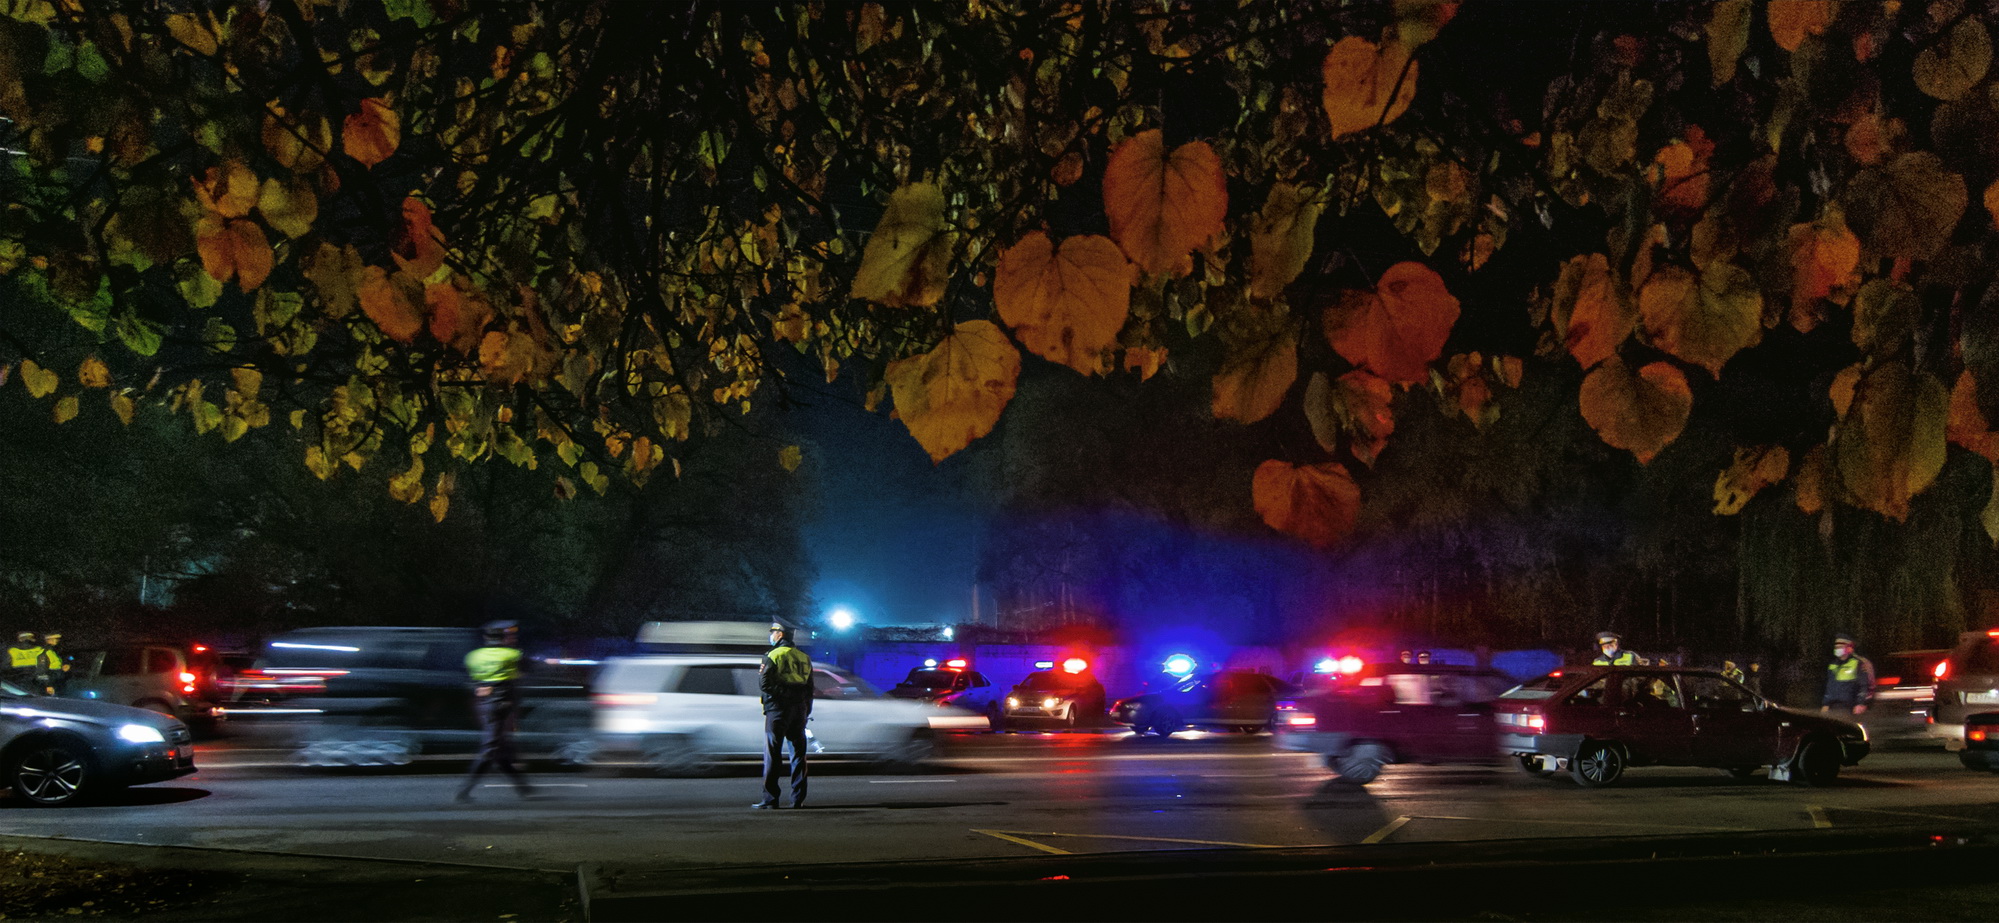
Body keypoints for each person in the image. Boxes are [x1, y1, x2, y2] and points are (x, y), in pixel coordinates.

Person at [455, 620, 535, 803]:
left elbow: (468, 679)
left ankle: (524, 789)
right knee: (490, 750)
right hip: (502, 705)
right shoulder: (513, 655)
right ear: (503, 638)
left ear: (485, 638)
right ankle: (464, 791)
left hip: (483, 705)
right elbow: (529, 669)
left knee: (499, 748)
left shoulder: (473, 656)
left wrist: (481, 686)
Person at [755, 621, 814, 810]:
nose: (771, 635)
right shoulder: (804, 657)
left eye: (772, 632)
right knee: (798, 755)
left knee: (773, 754)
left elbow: (765, 685)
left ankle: (771, 799)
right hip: (799, 711)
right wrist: (805, 710)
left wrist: (782, 697)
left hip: (777, 711)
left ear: (780, 634)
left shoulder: (772, 655)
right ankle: (798, 799)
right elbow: (810, 688)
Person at [1821, 634, 1875, 719]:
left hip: (1851, 708)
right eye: (1836, 647)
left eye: (1840, 647)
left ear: (1849, 648)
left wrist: (1861, 703)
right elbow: (1830, 687)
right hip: (1834, 708)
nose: (1837, 649)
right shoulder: (1833, 664)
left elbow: (1865, 685)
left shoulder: (1859, 663)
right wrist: (1826, 704)